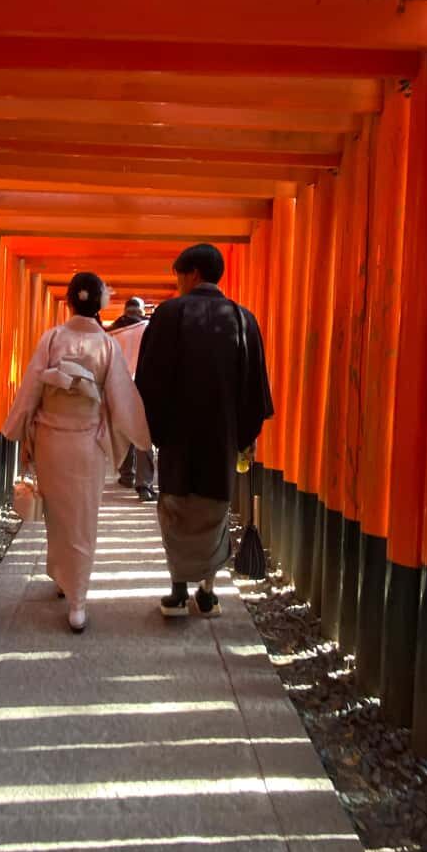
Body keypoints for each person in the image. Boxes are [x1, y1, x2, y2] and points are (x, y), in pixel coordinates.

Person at [2, 272, 151, 633]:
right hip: (86, 443)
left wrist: (21, 431)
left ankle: (64, 581)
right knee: (83, 518)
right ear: (98, 303)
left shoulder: (52, 338)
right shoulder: (106, 345)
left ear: (69, 301)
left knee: (59, 514)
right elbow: (120, 398)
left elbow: (31, 388)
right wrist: (141, 434)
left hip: (52, 440)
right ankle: (77, 601)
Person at [135, 243, 273, 619]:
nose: (178, 283)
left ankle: (178, 592)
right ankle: (208, 593)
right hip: (221, 437)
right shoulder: (243, 319)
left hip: (179, 437)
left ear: (191, 273)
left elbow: (149, 381)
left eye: (178, 275)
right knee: (214, 510)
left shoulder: (168, 315)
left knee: (176, 508)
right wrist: (242, 437)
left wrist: (156, 431)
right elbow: (255, 387)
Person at [109, 297, 157, 502]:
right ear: (141, 311)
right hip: (145, 385)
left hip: (120, 385)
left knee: (124, 430)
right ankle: (144, 484)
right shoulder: (150, 329)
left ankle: (127, 475)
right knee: (143, 433)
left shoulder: (112, 332)